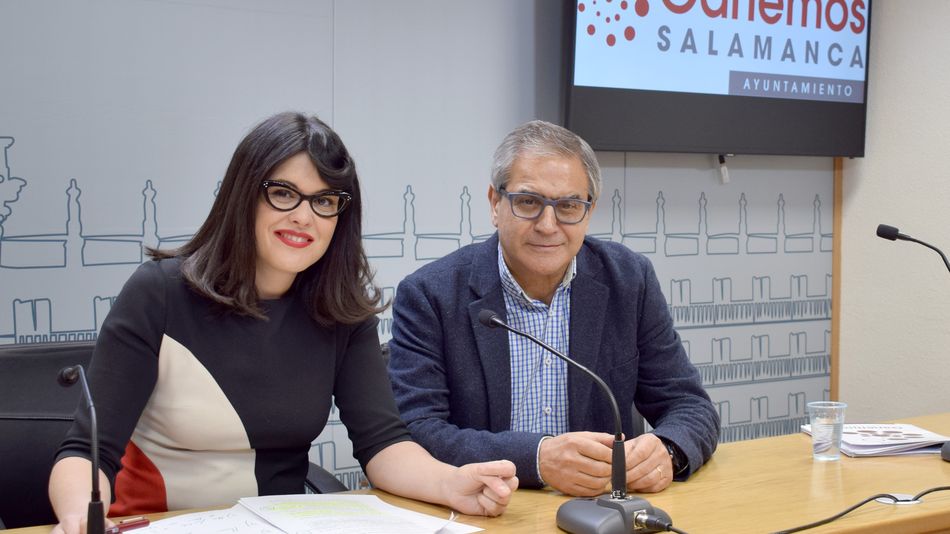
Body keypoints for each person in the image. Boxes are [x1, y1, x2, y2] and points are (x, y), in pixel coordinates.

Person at [48, 112, 518, 534]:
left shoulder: (341, 311)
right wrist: (78, 519)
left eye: (324, 201)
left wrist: (451, 483)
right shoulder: (160, 294)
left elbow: (383, 444)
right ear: (242, 196)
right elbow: (88, 454)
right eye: (283, 193)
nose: (303, 216)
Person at [388, 120, 719, 498]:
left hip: (599, 510)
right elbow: (416, 431)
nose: (548, 225)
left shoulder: (629, 280)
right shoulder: (431, 294)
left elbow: (689, 404)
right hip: (489, 509)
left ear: (588, 211)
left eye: (568, 206)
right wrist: (539, 459)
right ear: (496, 204)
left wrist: (667, 449)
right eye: (528, 202)